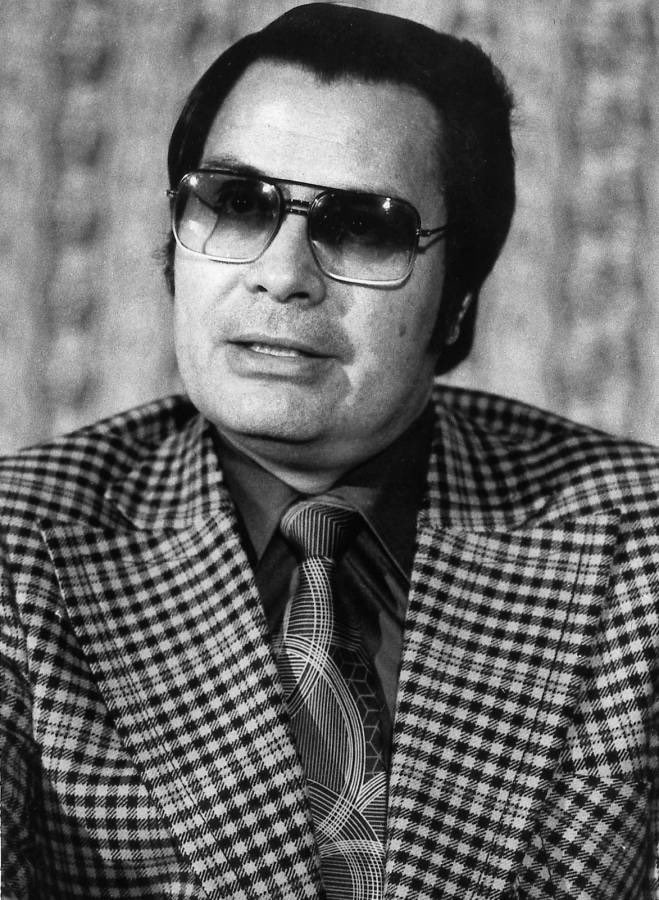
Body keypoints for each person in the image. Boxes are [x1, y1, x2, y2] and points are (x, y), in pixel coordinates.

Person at [1, 4, 657, 898]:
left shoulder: (635, 544)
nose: (281, 274)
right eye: (238, 205)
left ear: (458, 295)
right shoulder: (21, 546)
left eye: (361, 226)